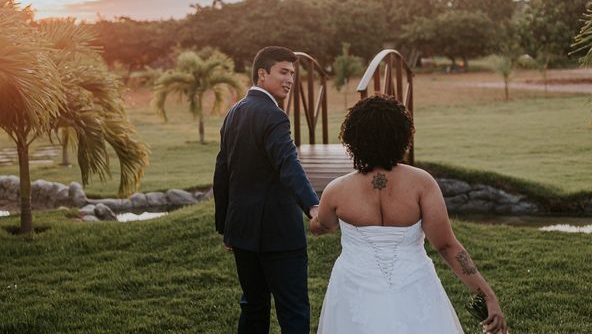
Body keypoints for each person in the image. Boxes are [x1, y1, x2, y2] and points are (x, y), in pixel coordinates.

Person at [310, 95, 507, 334]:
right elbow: (447, 246)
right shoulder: (422, 184)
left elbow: (324, 225)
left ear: (353, 138)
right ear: (402, 136)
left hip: (353, 291)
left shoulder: (337, 190)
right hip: (414, 287)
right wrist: (488, 296)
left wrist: (315, 218)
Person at [214, 46, 322, 334]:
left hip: (242, 230)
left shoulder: (233, 113)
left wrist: (225, 225)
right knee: (294, 309)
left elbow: (222, 171)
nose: (290, 79)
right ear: (263, 74)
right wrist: (313, 206)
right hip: (279, 233)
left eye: (292, 74)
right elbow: (288, 164)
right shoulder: (274, 116)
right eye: (283, 72)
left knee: (253, 305)